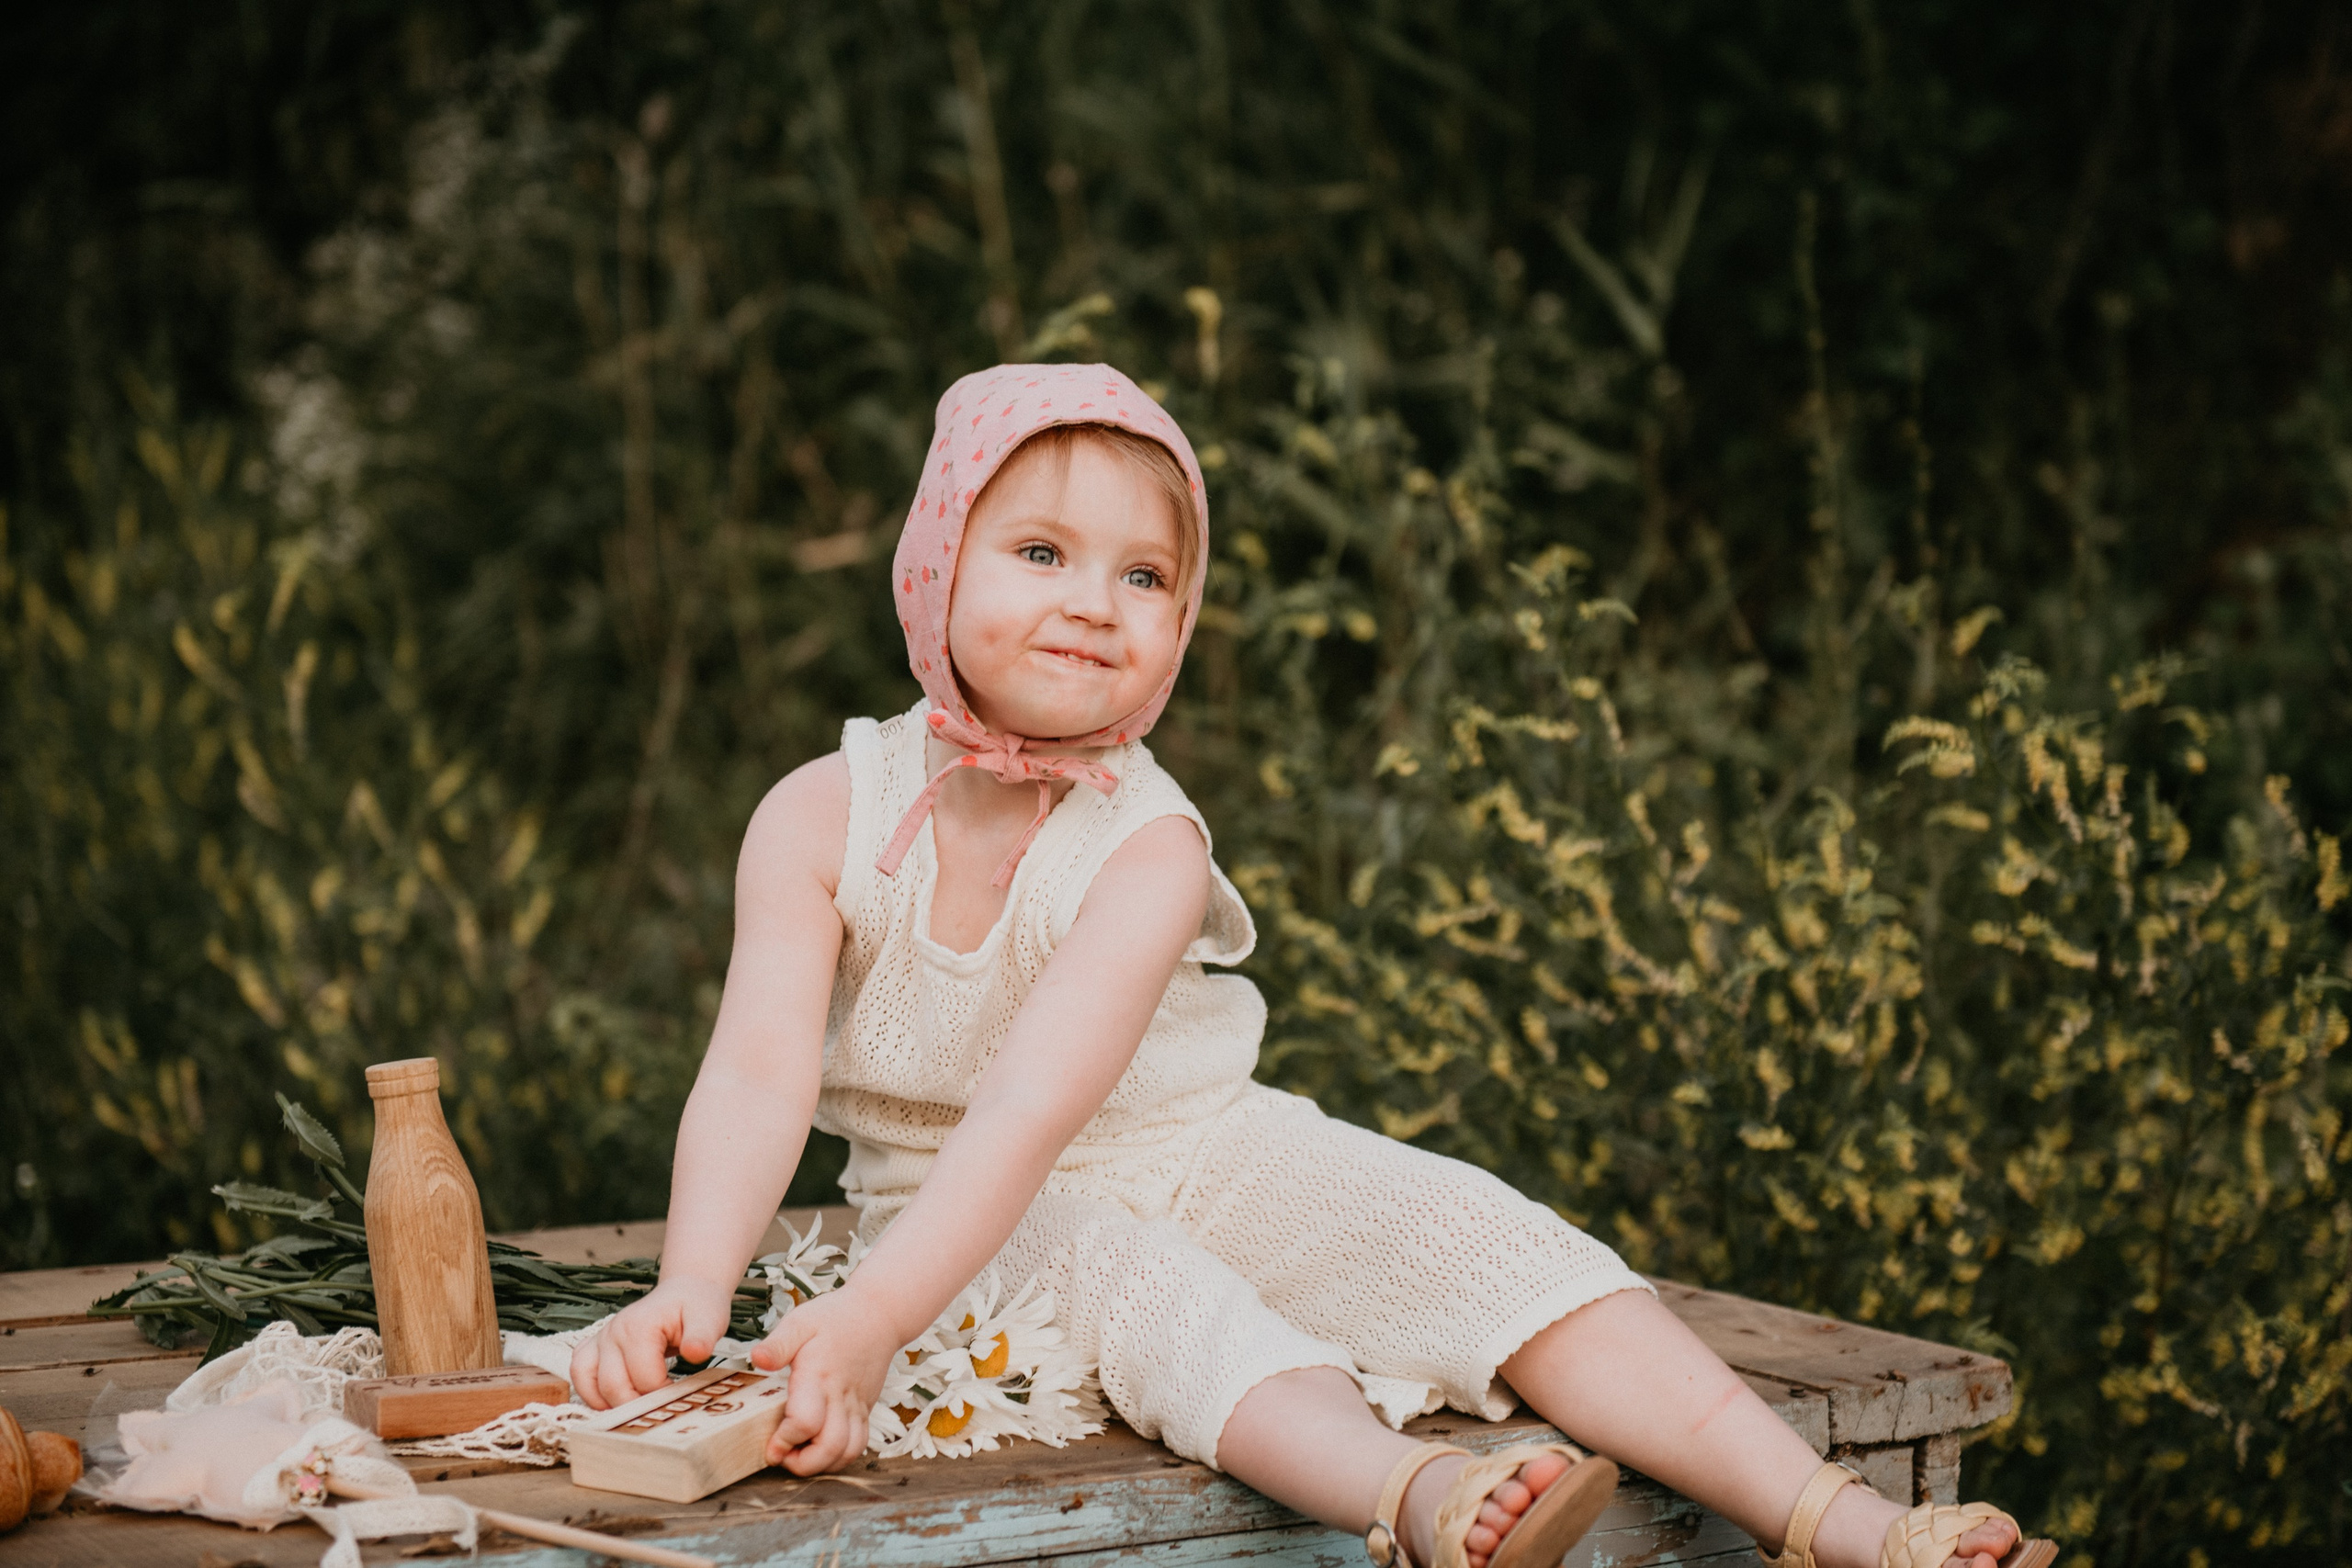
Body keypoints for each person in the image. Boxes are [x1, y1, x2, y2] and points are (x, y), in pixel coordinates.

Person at [571, 363, 2052, 1568]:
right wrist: (702, 1290)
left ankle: (1842, 1520)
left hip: (1204, 1149)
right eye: (1039, 553)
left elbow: (1047, 1092)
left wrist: (875, 1327)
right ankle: (1411, 1499)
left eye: (1144, 575)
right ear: (932, 564)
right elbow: (765, 1070)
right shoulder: (824, 811)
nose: (1095, 600)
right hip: (953, 1223)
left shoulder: (1146, 847)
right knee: (1149, 1301)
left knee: (1475, 1236)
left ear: (1181, 627)